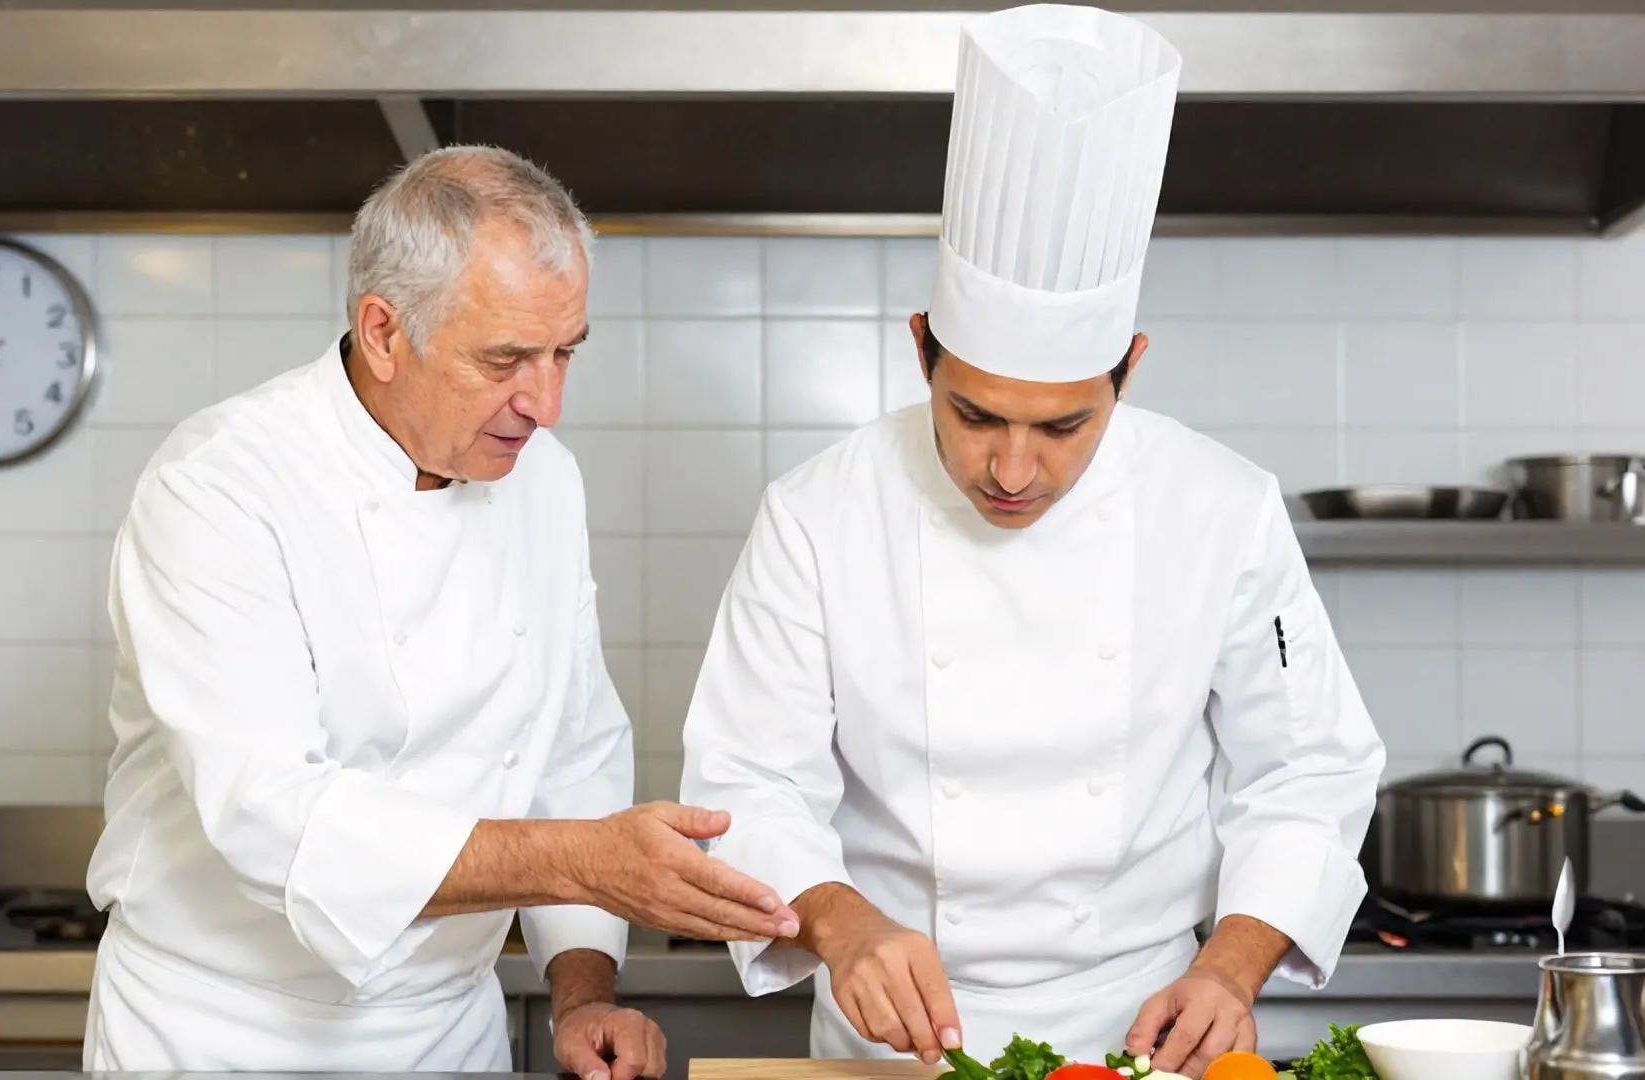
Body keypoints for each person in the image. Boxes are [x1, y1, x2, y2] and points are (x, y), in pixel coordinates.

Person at [677, 6, 1386, 1078]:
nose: (1013, 470)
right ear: (922, 351)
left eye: (1063, 427)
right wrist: (838, 922)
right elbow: (747, 782)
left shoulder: (1222, 508)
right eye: (972, 417)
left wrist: (1232, 967)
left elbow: (1305, 772)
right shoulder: (818, 514)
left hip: (1149, 1029)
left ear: (1129, 371)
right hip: (896, 1044)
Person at [84, 145, 800, 1077]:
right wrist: (581, 861)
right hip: (223, 1037)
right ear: (383, 331)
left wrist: (584, 995)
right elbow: (275, 818)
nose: (543, 403)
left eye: (564, 354)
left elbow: (571, 757)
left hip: (446, 1037)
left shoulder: (544, 481)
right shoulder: (220, 488)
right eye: (506, 359)